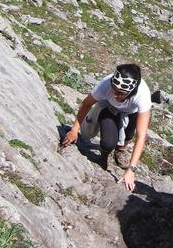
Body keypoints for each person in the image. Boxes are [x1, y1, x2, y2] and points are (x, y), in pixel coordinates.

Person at [62, 63, 151, 191]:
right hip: (109, 108)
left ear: (132, 91)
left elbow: (141, 136)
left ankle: (120, 151)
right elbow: (86, 104)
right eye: (114, 89)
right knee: (108, 142)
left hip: (132, 112)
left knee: (129, 134)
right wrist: (74, 130)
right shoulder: (105, 85)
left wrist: (131, 170)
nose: (116, 94)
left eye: (121, 93)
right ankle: (104, 154)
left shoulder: (142, 95)